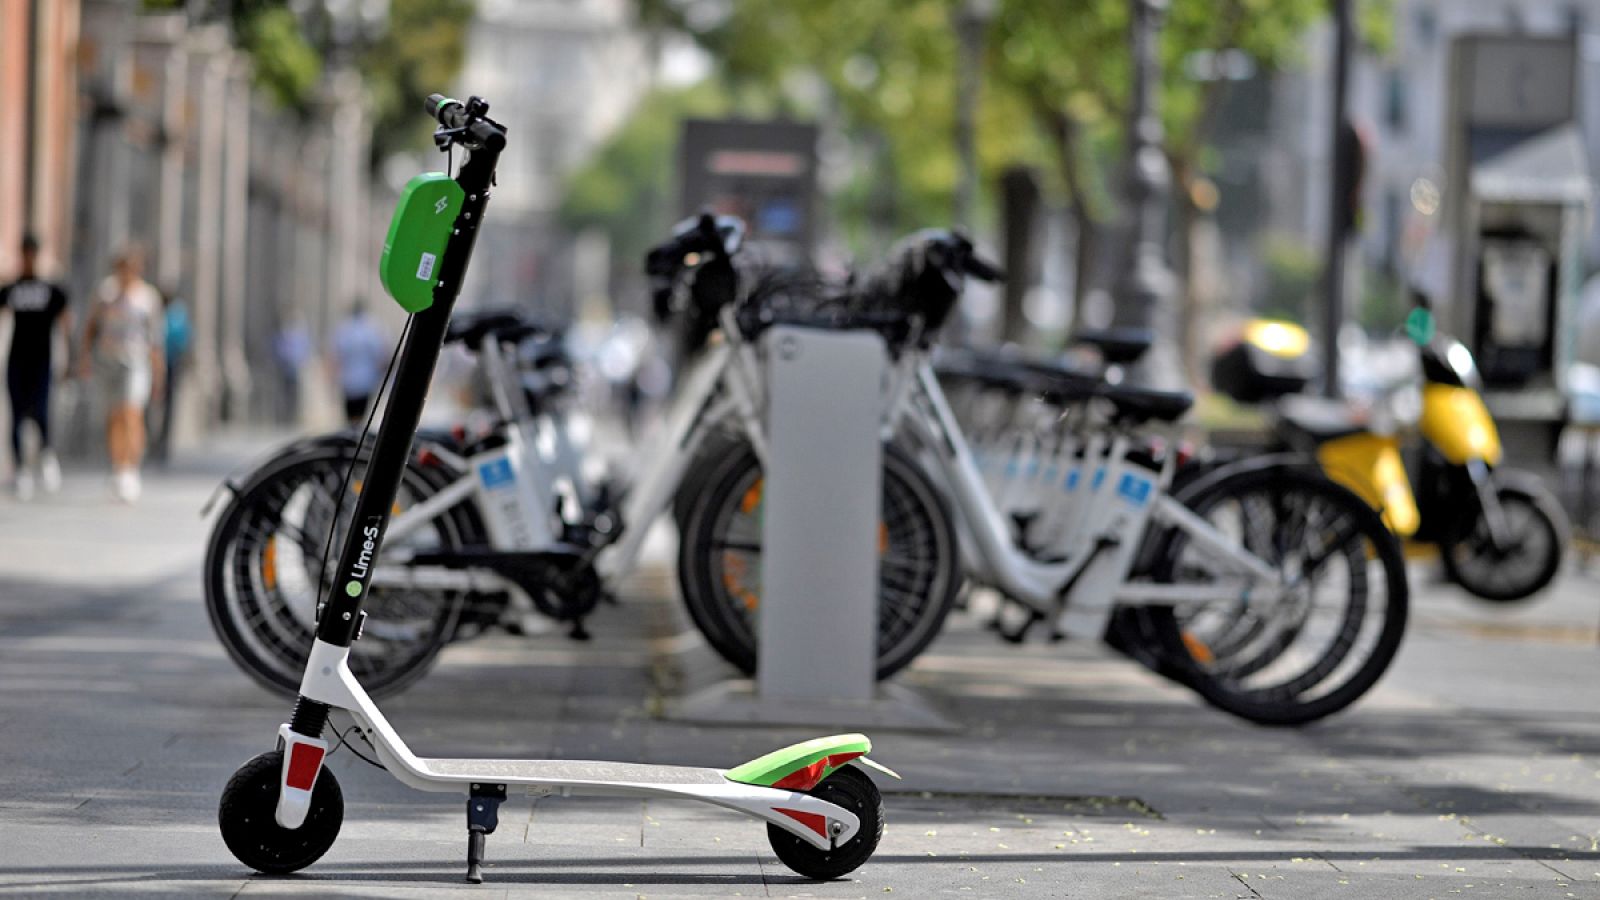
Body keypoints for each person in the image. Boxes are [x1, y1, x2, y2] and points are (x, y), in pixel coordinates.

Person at [81, 246, 164, 503]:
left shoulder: (147, 297)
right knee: (114, 417)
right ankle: (118, 467)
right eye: (123, 268)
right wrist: (84, 358)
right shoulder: (105, 292)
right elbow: (91, 326)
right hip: (108, 361)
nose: (127, 273)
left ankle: (131, 468)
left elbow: (155, 339)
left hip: (136, 362)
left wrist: (159, 373)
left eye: (132, 268)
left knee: (131, 413)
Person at [0, 234, 71, 499]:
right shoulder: (12, 288)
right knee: (16, 413)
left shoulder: (51, 289)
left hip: (42, 360)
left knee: (41, 411)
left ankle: (46, 454)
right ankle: (20, 468)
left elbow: (65, 320)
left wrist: (68, 357)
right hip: (17, 359)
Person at [329, 301, 387, 426]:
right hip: (366, 380)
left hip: (348, 380)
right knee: (361, 416)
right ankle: (357, 435)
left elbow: (336, 355)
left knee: (350, 416)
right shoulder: (371, 329)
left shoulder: (344, 329)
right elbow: (380, 356)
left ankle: (352, 434)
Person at [150, 286, 191, 464]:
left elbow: (182, 339)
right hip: (153, 363)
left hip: (170, 363)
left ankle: (163, 442)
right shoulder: (155, 311)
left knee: (167, 404)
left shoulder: (177, 314)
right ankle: (152, 440)